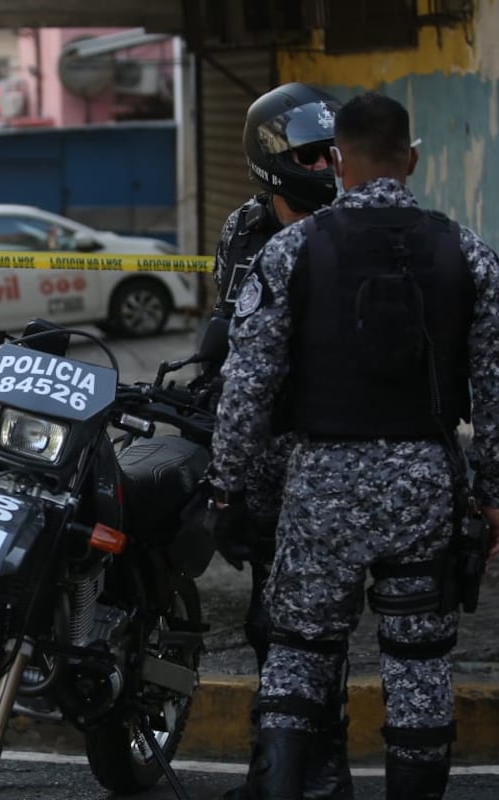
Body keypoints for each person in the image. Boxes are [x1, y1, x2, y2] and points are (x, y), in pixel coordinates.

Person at [208, 91, 499, 799]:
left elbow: (246, 385)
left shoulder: (292, 250)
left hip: (320, 489)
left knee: (299, 657)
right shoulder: (467, 252)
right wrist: (490, 495)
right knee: (419, 665)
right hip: (425, 486)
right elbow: (493, 393)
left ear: (337, 161)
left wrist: (226, 486)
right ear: (413, 159)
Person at [207, 82, 352, 800]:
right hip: (261, 452)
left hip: (332, 452)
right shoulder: (243, 229)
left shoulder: (353, 227)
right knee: (273, 622)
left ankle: (317, 772)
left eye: (332, 152)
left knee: (307, 626)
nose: (325, 166)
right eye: (310, 155)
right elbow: (227, 334)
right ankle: (280, 772)